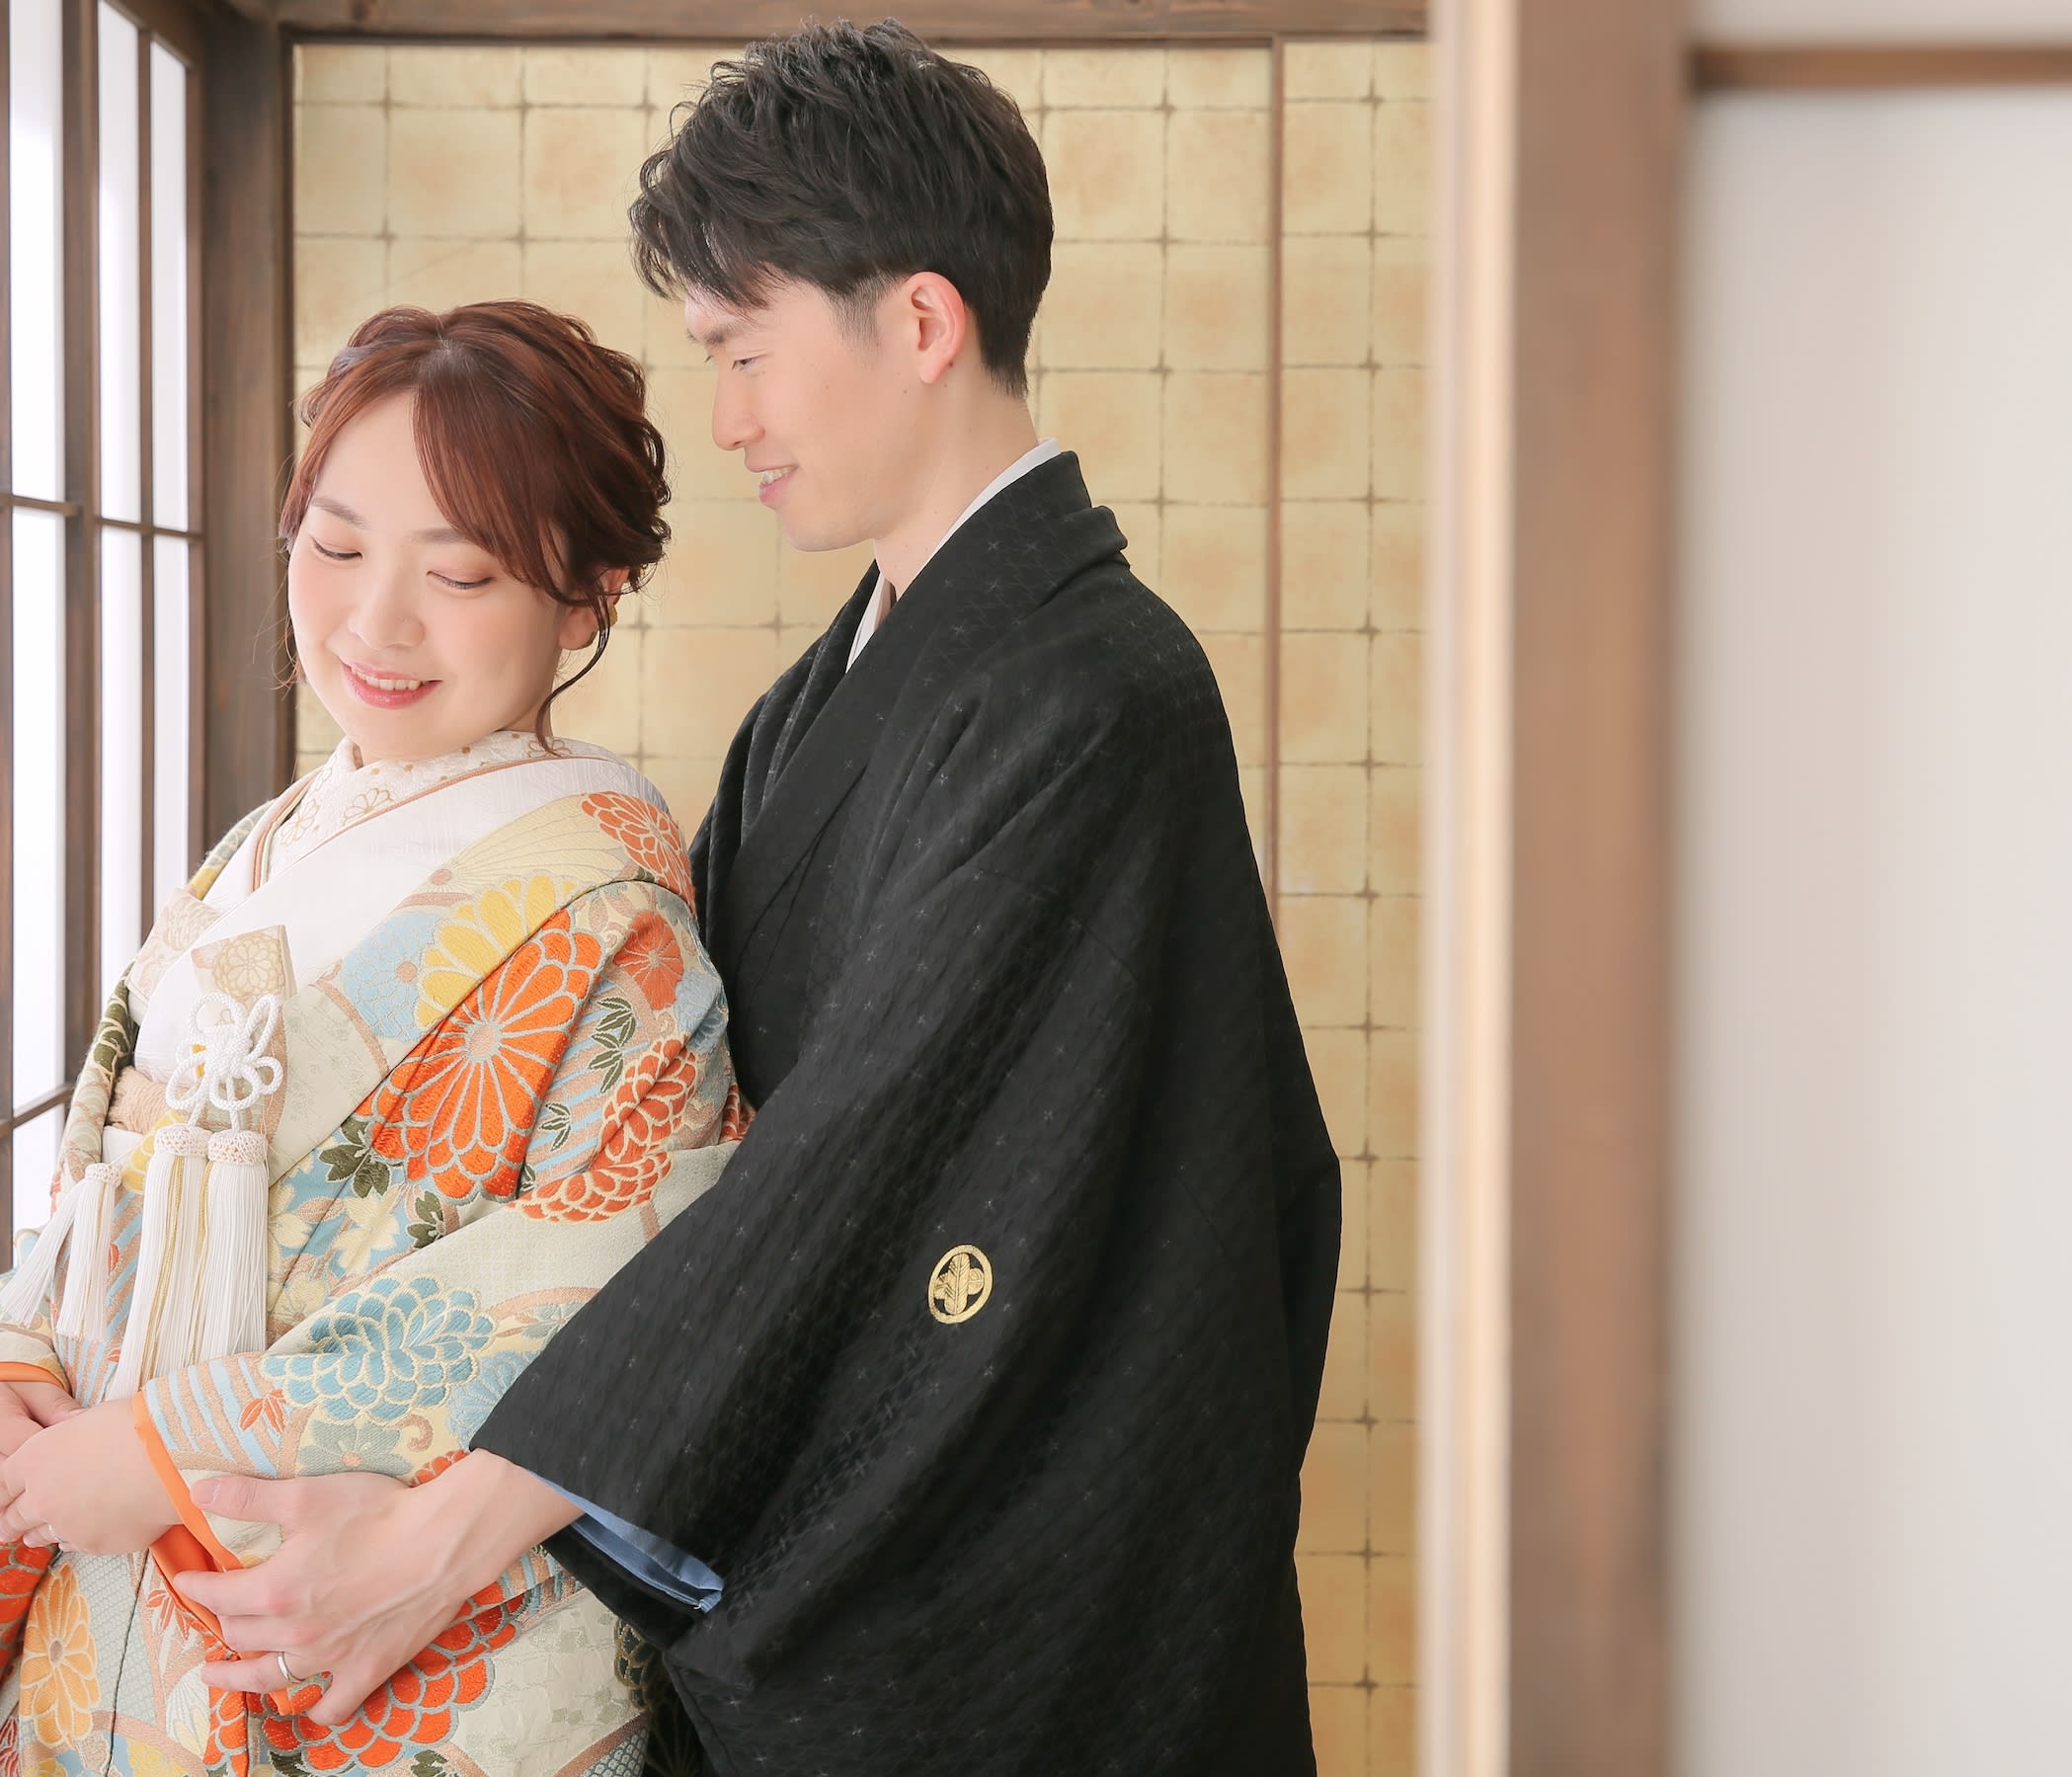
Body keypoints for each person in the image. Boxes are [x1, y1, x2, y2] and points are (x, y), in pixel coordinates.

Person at [177, 21, 1344, 1777]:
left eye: (744, 350)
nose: (725, 420)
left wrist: (443, 1540)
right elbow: (680, 1116)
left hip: (1018, 1584)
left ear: (921, 321)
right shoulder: (834, 692)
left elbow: (840, 1173)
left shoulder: (1090, 696)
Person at [0, 300, 748, 1777]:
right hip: (100, 1579)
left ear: (588, 598)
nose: (374, 625)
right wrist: (8, 1369)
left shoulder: (614, 918)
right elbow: (102, 1178)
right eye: (333, 549)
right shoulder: (258, 849)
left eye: (458, 573)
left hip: (347, 1621)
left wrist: (171, 1450)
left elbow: (624, 1282)